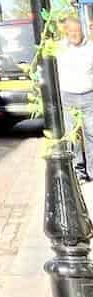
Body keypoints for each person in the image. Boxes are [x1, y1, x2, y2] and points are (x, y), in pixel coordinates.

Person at [57, 16, 93, 184]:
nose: (75, 35)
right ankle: (78, 171)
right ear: (66, 32)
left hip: (88, 95)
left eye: (77, 31)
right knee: (73, 137)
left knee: (91, 134)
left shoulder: (91, 47)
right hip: (68, 96)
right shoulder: (60, 49)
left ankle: (91, 171)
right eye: (71, 32)